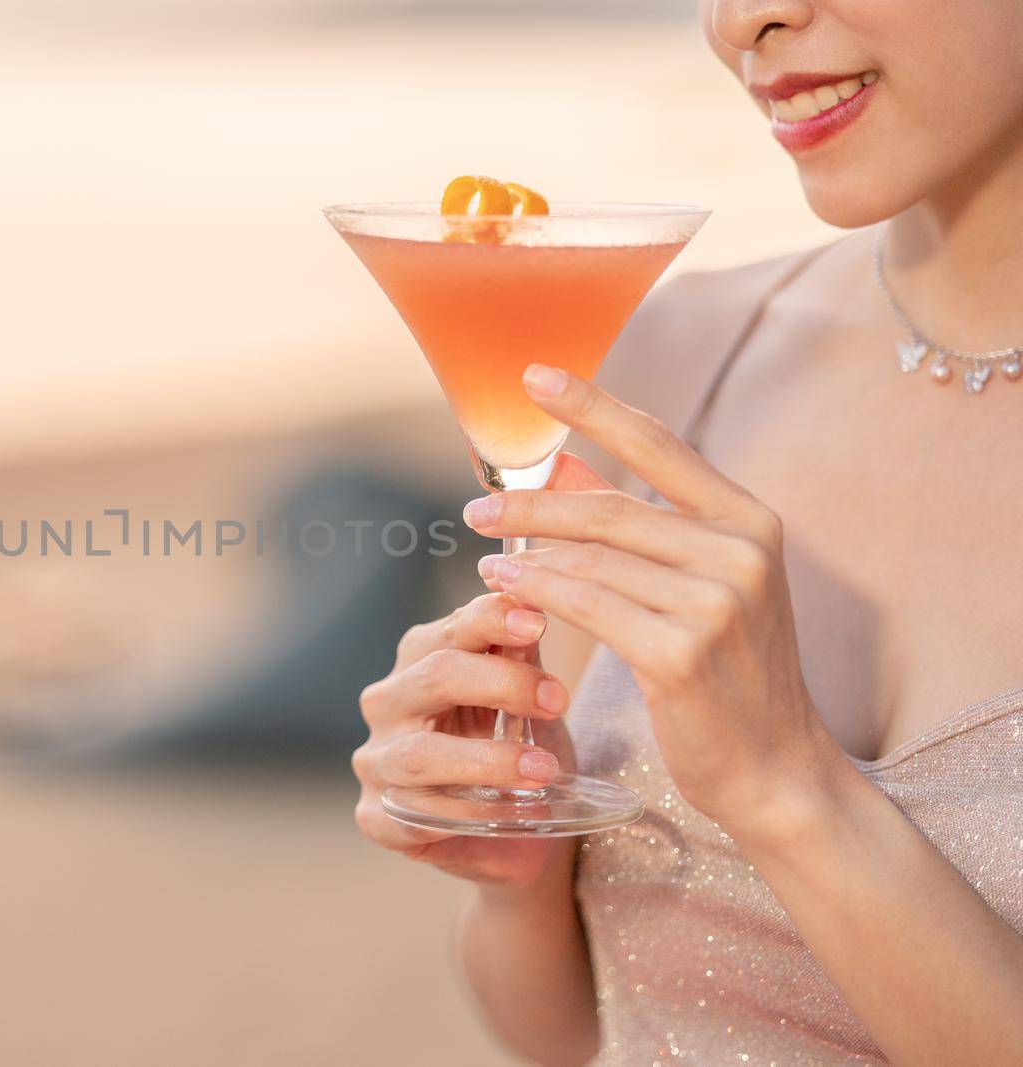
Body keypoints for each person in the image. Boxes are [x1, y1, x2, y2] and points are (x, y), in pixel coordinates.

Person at [350, 2, 1023, 1063]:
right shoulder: (671, 358)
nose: (739, 18)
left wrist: (786, 789)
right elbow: (582, 1033)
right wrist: (516, 870)